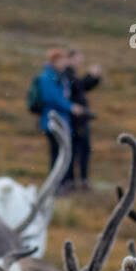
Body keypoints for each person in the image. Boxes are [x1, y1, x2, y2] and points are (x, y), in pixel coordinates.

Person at [61, 46, 102, 190]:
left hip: (79, 119)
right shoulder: (66, 73)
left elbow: (83, 87)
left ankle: (80, 180)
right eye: (77, 59)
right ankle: (75, 181)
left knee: (82, 150)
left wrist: (94, 78)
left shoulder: (71, 74)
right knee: (78, 151)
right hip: (75, 119)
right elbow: (78, 87)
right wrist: (90, 76)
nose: (79, 62)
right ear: (70, 59)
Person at [33, 49, 75, 186]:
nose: (65, 63)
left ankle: (61, 184)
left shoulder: (59, 76)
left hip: (61, 120)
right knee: (57, 153)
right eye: (62, 60)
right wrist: (70, 107)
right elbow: (50, 97)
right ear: (55, 61)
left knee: (61, 153)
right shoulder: (47, 77)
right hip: (52, 122)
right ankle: (56, 185)